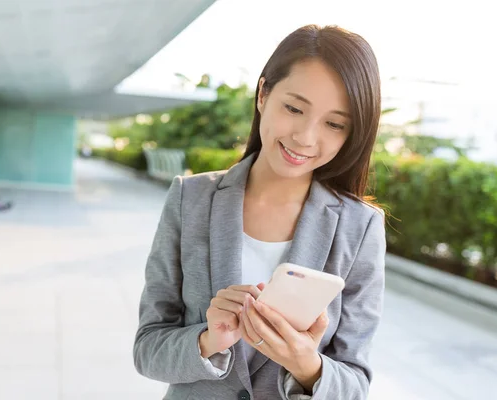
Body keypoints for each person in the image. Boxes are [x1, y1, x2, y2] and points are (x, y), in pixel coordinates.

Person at [133, 24, 386, 400]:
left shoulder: (360, 226)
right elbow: (147, 351)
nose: (306, 137)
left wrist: (306, 365)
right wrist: (208, 339)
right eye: (294, 108)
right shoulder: (191, 198)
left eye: (334, 124)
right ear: (264, 94)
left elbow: (355, 384)